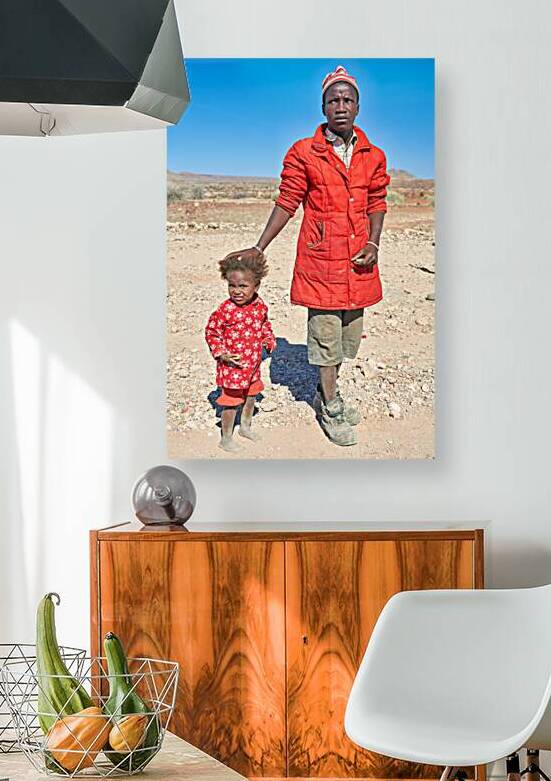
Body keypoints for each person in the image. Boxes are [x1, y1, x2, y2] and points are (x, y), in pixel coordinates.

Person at [221, 65, 390, 447]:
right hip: (321, 262)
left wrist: (374, 243)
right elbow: (288, 201)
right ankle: (329, 405)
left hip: (359, 261)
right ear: (323, 106)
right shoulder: (304, 152)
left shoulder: (373, 155)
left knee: (348, 341)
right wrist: (259, 246)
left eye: (348, 99)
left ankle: (324, 391)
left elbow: (377, 201)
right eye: (334, 100)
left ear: (358, 106)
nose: (340, 105)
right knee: (326, 338)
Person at [205, 253, 276, 452]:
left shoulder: (259, 306)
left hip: (253, 363)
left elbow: (264, 325)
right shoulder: (225, 310)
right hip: (233, 366)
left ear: (256, 286)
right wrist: (220, 353)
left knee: (251, 395)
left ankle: (245, 426)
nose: (236, 291)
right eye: (231, 286)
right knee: (231, 401)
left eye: (243, 286)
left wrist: (268, 340)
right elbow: (212, 331)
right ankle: (226, 437)